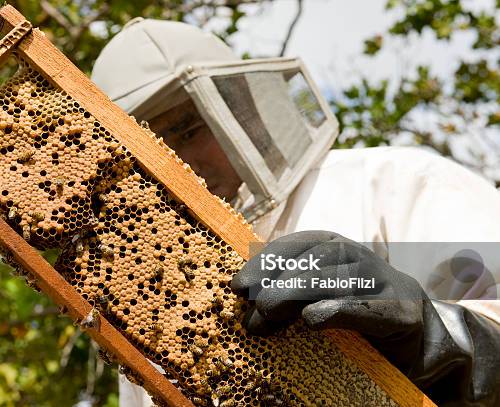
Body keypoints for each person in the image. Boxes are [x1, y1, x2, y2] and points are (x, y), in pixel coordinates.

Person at [91, 18, 500, 406]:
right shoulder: (149, 300)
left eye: (187, 130)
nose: (178, 162)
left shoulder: (392, 183)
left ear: (241, 109)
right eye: (147, 150)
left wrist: (432, 339)